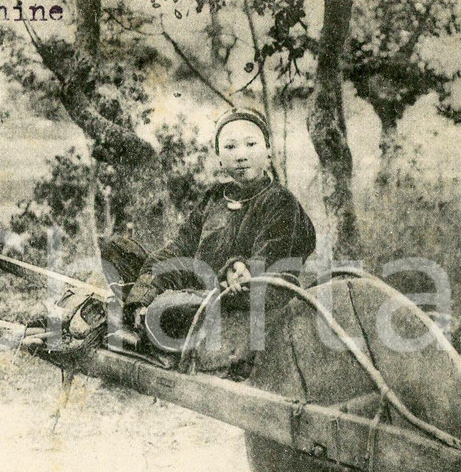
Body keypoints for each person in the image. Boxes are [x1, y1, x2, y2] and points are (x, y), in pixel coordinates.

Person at [102, 107, 316, 345]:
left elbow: (274, 259)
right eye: (231, 147)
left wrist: (242, 270)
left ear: (268, 150)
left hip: (234, 299)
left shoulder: (279, 200)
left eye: (251, 144)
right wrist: (146, 291)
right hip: (194, 287)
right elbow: (181, 247)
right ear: (219, 155)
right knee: (117, 249)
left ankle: (148, 319)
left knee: (169, 308)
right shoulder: (214, 197)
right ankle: (139, 309)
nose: (241, 155)